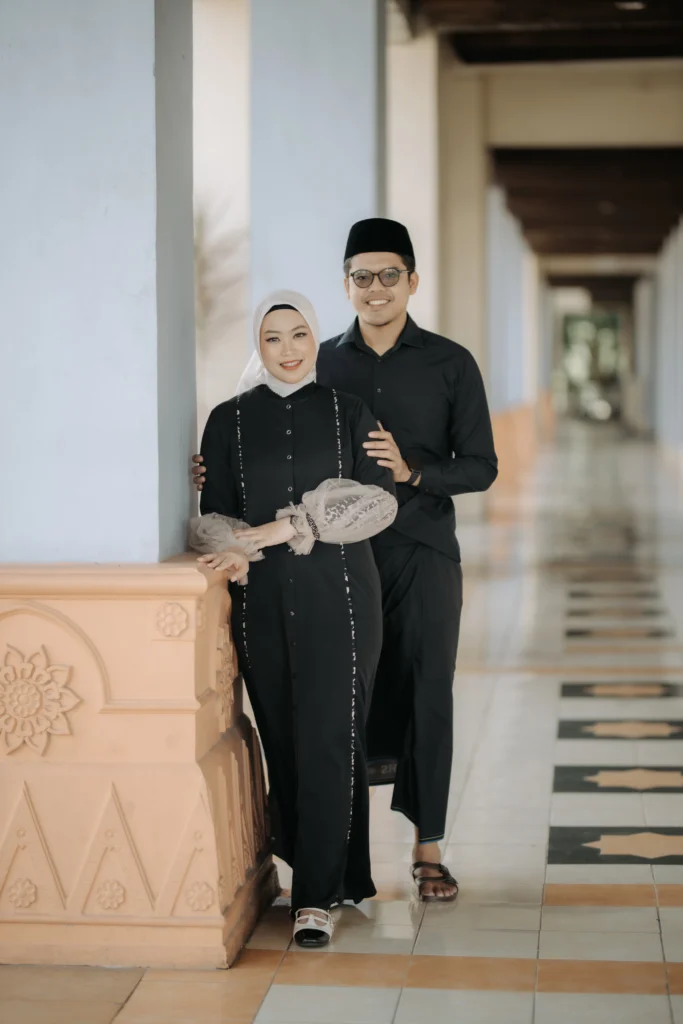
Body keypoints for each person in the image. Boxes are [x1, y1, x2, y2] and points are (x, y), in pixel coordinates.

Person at [194, 220, 498, 901]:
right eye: (362, 276)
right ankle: (339, 863)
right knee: (342, 708)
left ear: (411, 281)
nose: (376, 287)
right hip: (328, 565)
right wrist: (206, 466)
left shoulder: (449, 363)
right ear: (346, 286)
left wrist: (415, 473)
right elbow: (258, 411)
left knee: (424, 693)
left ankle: (427, 848)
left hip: (418, 551)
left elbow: (481, 466)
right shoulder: (319, 358)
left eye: (389, 274)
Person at [190, 290, 397, 947]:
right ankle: (333, 869)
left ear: (315, 340)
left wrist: (282, 528)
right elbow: (213, 511)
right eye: (273, 336)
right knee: (283, 738)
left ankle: (314, 898)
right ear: (260, 342)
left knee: (329, 739)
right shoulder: (227, 420)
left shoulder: (348, 412)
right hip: (260, 603)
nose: (287, 349)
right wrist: (228, 546)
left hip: (340, 598)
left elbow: (374, 503)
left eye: (299, 334)